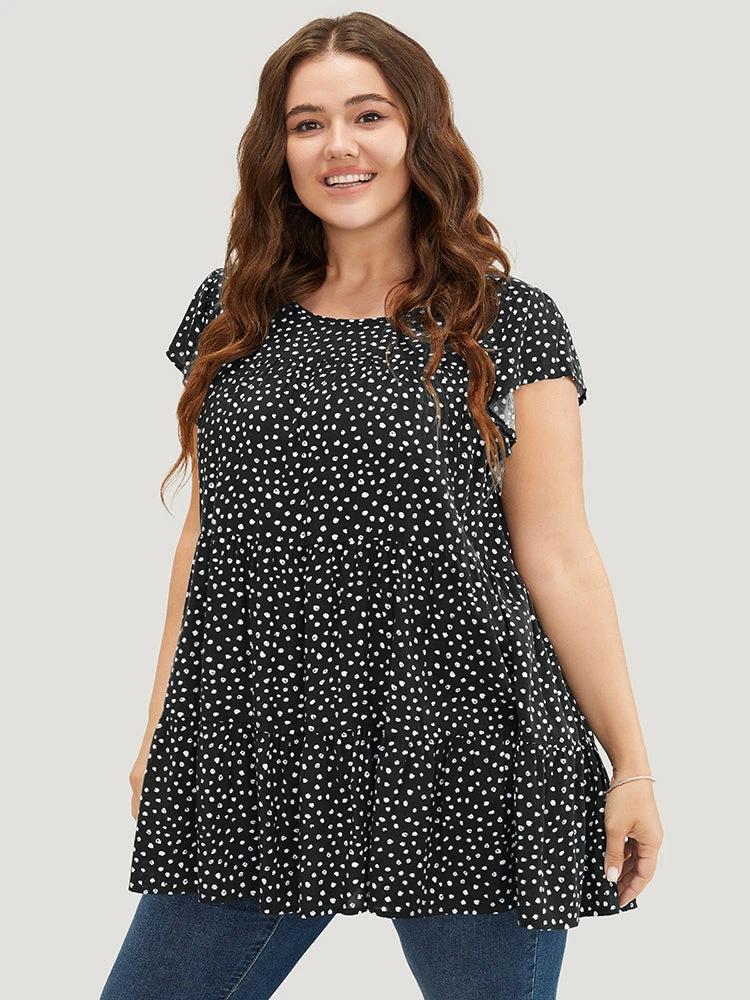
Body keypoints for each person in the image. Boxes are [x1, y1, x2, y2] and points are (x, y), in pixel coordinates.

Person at [100, 12, 663, 1000]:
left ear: (419, 134)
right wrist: (163, 727)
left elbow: (560, 554)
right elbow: (206, 538)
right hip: (258, 741)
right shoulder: (233, 314)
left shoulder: (508, 320)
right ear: (278, 149)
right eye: (306, 123)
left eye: (369, 115)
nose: (339, 145)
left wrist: (633, 765)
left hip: (468, 744)